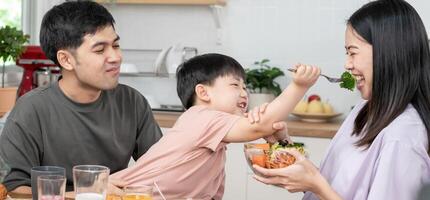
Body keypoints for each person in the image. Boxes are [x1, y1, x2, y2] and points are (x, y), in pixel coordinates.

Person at [253, 0, 430, 200]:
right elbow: (340, 186)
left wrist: (317, 185)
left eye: (352, 52)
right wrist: (284, 144)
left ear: (388, 53)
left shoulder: (403, 136)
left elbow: (325, 189)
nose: (347, 65)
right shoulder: (365, 109)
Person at [0, 0, 163, 194]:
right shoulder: (32, 109)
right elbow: (14, 189)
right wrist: (88, 193)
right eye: (100, 50)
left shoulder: (132, 102)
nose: (116, 57)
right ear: (66, 60)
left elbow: (160, 170)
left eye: (116, 45)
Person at [109, 53, 320, 199]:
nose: (244, 92)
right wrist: (299, 86)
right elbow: (258, 127)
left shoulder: (216, 149)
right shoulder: (201, 117)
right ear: (203, 93)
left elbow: (285, 174)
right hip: (117, 193)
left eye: (245, 87)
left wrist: (280, 140)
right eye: (235, 85)